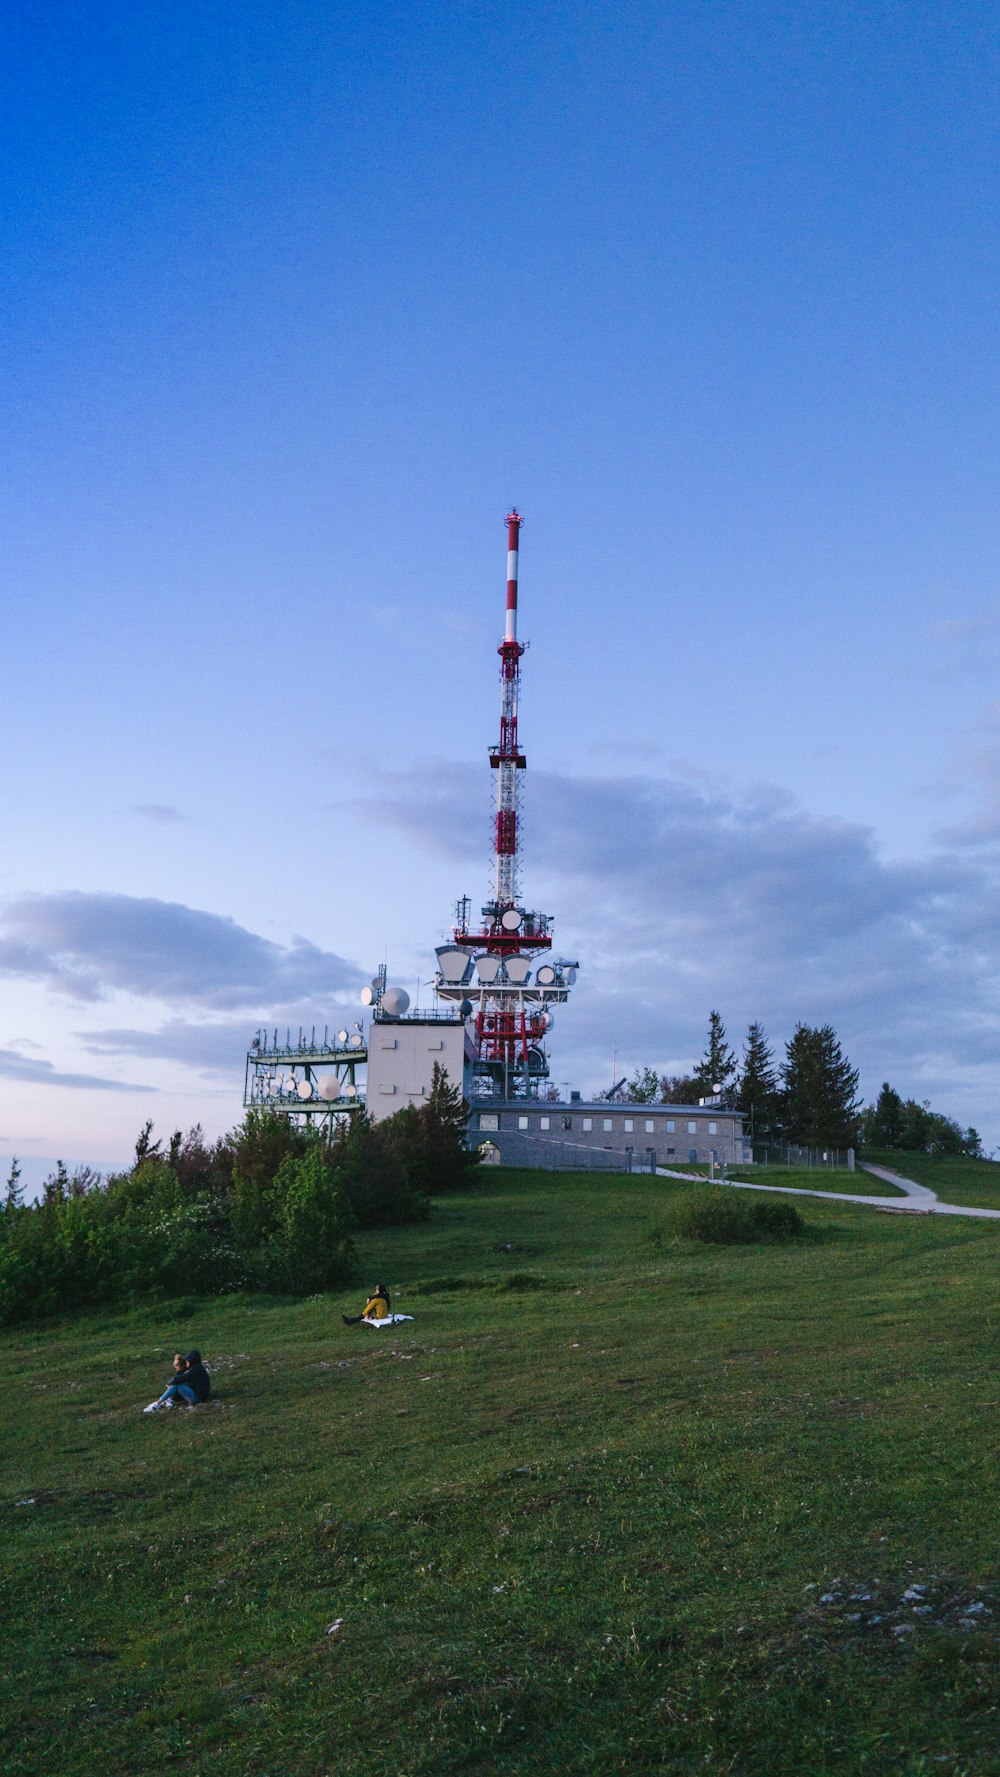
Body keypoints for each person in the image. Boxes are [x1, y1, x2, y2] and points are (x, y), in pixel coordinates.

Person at [144, 1348, 211, 1412]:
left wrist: (169, 1383)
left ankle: (157, 1404)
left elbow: (179, 1379)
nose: (186, 1362)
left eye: (187, 1361)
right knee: (180, 1383)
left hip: (198, 1398)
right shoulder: (197, 1367)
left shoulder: (194, 1370)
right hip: (200, 1395)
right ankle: (169, 1399)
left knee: (176, 1385)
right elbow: (182, 1377)